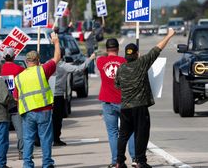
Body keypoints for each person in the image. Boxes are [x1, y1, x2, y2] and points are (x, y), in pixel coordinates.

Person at [115, 28, 175, 168]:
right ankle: (140, 161)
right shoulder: (141, 63)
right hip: (140, 107)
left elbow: (117, 85)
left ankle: (119, 161)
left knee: (123, 135)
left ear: (126, 55)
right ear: (136, 54)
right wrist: (169, 35)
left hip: (125, 108)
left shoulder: (121, 68)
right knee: (141, 134)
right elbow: (156, 49)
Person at [14, 32, 60, 168]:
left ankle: (27, 164)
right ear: (38, 61)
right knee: (45, 139)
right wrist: (56, 42)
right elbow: (57, 58)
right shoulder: (43, 70)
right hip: (44, 110)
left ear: (26, 62)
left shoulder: (19, 77)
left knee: (28, 139)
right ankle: (47, 163)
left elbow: (16, 97)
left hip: (27, 112)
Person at [96, 38, 136, 168]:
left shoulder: (101, 61)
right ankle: (135, 158)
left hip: (107, 102)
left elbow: (101, 56)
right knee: (130, 130)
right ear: (118, 49)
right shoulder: (124, 62)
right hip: (123, 101)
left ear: (107, 49)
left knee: (113, 132)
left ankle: (116, 161)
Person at [53, 48, 95, 146]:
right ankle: (56, 139)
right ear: (62, 55)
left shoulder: (48, 64)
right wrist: (90, 58)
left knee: (46, 119)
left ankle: (40, 139)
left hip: (46, 96)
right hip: (58, 95)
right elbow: (80, 68)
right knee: (57, 119)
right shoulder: (64, 66)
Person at [0, 47, 25, 160]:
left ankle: (1, 155)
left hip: (2, 104)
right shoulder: (19, 69)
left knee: (2, 132)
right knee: (20, 130)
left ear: (3, 57)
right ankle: (22, 152)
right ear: (14, 57)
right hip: (16, 102)